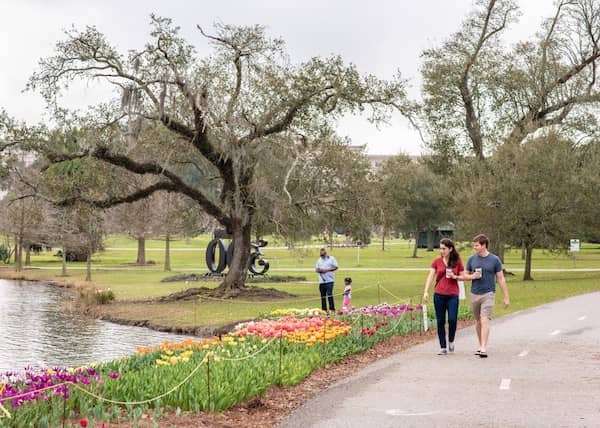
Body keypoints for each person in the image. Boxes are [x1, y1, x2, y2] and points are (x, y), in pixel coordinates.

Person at [463, 234, 510, 358]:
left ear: (484, 245)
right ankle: (480, 345)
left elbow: (500, 279)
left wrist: (506, 297)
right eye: (474, 245)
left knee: (485, 319)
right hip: (474, 294)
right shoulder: (471, 259)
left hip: (488, 293)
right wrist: (472, 276)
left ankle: (484, 347)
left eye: (477, 245)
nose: (475, 247)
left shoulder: (495, 260)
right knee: (478, 321)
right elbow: (464, 275)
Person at [423, 238, 465, 355]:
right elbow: (430, 277)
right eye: (440, 248)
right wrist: (426, 291)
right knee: (440, 321)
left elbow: (464, 276)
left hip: (453, 295)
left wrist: (455, 277)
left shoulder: (457, 261)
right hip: (439, 295)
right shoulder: (436, 261)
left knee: (452, 320)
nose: (441, 251)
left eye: (444, 249)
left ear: (450, 249)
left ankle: (451, 340)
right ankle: (443, 346)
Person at [315, 247, 338, 313]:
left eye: (323, 254)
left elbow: (336, 267)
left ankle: (332, 309)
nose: (322, 256)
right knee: (323, 296)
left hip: (330, 280)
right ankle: (324, 310)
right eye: (321, 254)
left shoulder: (331, 259)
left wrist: (327, 270)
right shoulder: (319, 260)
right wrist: (320, 270)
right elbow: (316, 269)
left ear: (325, 253)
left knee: (329, 294)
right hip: (321, 281)